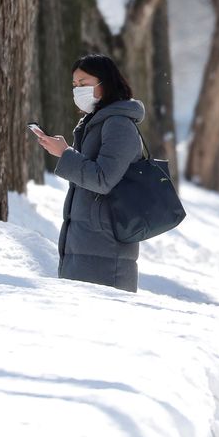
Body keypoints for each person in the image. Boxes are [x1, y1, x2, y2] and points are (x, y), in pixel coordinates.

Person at [33, 54, 146, 293]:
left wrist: (66, 154)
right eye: (75, 85)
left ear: (104, 82)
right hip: (85, 245)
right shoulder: (96, 123)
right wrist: (67, 152)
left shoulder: (119, 124)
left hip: (106, 250)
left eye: (83, 84)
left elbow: (103, 179)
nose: (77, 90)